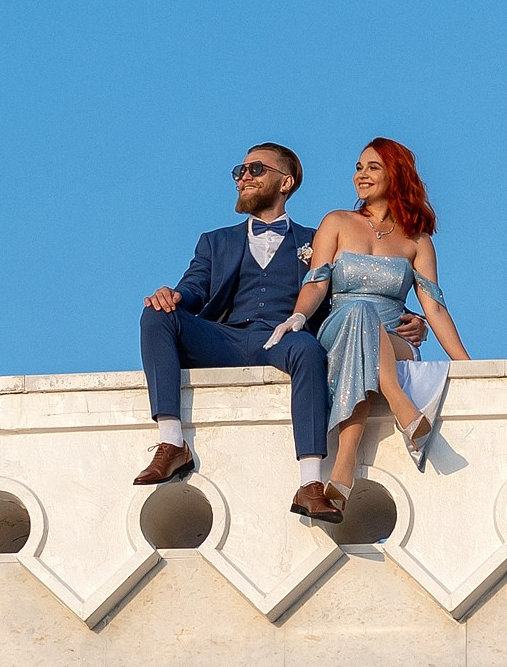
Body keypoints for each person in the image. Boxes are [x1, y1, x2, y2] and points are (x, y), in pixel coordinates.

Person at [136, 143, 427, 523]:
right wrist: (172, 296)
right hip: (226, 338)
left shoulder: (315, 237)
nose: (244, 177)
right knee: (155, 316)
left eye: (255, 170)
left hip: (286, 338)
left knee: (308, 350)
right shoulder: (215, 241)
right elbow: (194, 286)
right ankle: (172, 442)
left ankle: (310, 483)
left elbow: (349, 290)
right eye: (239, 171)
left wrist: (407, 318)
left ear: (285, 182)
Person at [264, 137, 470, 518]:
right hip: (340, 328)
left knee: (367, 333)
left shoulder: (417, 240)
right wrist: (297, 316)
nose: (361, 175)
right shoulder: (338, 222)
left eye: (372, 167)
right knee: (359, 313)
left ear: (396, 174)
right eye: (359, 167)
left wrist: (469, 366)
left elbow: (436, 309)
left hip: (395, 339)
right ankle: (397, 406)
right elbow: (316, 282)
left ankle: (342, 470)